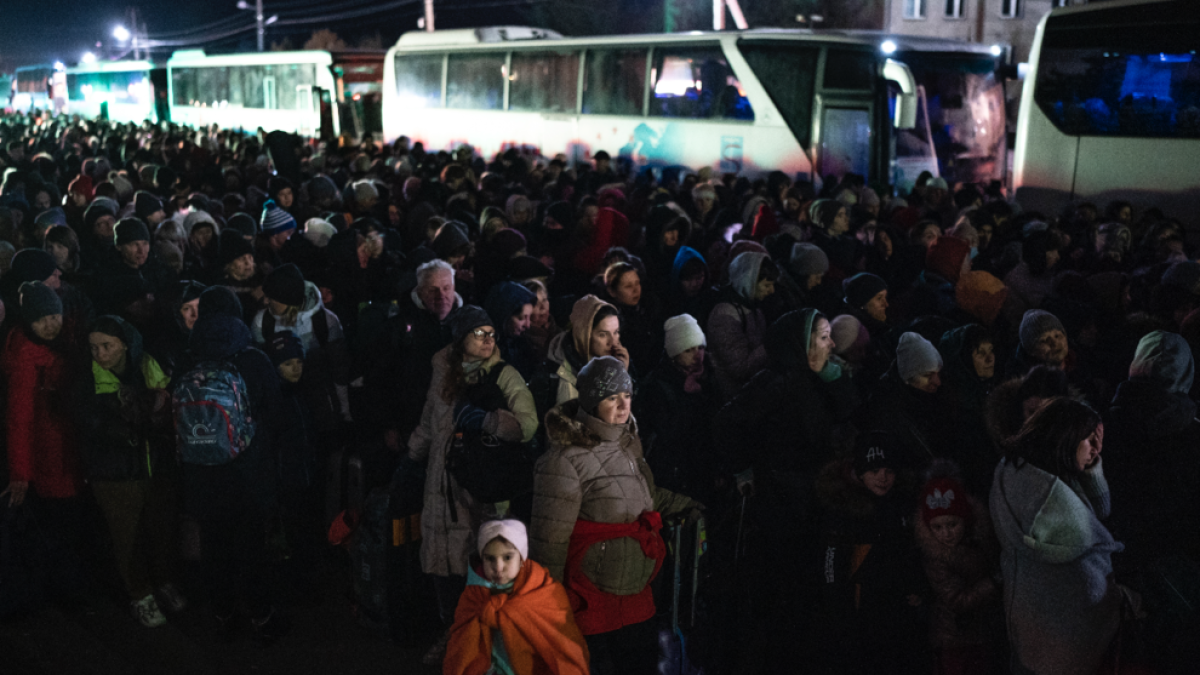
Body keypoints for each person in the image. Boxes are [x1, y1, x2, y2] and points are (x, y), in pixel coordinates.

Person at [531, 356, 699, 675]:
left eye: (627, 396)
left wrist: (683, 504)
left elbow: (643, 497)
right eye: (612, 398)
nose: (623, 406)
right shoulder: (564, 461)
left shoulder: (628, 443)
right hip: (590, 596)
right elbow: (549, 539)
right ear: (593, 402)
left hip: (637, 591)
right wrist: (547, 606)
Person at [405, 305, 538, 665]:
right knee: (444, 571)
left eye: (491, 333)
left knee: (482, 572)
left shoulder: (503, 374)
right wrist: (411, 455)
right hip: (441, 485)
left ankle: (487, 650)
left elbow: (528, 424)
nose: (488, 339)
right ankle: (455, 637)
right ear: (461, 338)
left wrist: (490, 421)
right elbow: (431, 423)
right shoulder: (442, 371)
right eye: (479, 333)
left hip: (481, 488)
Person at [990, 398, 1122, 675]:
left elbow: (1099, 512)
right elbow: (1089, 535)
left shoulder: (1016, 469)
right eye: (1088, 440)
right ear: (1064, 439)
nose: (1096, 448)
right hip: (1063, 633)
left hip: (1027, 618)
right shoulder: (1055, 507)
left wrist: (1091, 470)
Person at [77, 315, 185, 627]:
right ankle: (141, 594)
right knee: (128, 538)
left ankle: (164, 582)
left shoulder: (150, 366)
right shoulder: (88, 382)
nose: (99, 354)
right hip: (115, 476)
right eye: (93, 347)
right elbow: (93, 426)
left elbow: (166, 409)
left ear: (125, 344)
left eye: (106, 346)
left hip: (155, 468)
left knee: (161, 530)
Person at [444, 520, 591, 675]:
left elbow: (562, 645)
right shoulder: (473, 594)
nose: (498, 567)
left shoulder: (544, 592)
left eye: (507, 557)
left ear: (521, 559)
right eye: (490, 559)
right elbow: (460, 645)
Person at [913, 471, 1003, 675]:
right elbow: (957, 600)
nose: (945, 533)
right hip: (955, 639)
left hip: (983, 632)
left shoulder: (979, 541)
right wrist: (995, 581)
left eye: (952, 524)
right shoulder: (937, 558)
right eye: (937, 527)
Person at [634, 314, 715, 502]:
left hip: (703, 469)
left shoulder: (710, 377)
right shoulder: (657, 386)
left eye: (701, 348)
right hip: (676, 475)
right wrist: (688, 396)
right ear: (674, 353)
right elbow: (669, 434)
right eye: (688, 350)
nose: (697, 356)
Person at [707, 251, 775, 403]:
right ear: (748, 281)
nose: (772, 291)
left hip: (753, 392)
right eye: (766, 285)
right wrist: (772, 343)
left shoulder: (753, 306)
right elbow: (739, 368)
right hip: (733, 399)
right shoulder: (724, 316)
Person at [541, 295, 630, 406]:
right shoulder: (564, 377)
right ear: (584, 335)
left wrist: (622, 373)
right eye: (603, 335)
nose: (613, 342)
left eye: (616, 332)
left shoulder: (616, 359)